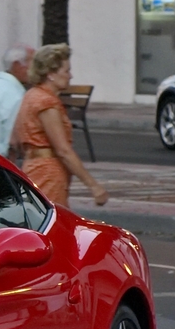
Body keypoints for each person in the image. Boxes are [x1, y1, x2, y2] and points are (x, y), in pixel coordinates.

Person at [12, 43, 108, 208]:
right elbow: (63, 151)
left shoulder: (30, 96)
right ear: (50, 74)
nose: (70, 76)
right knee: (53, 218)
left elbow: (14, 140)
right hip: (48, 173)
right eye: (66, 71)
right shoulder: (46, 102)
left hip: (31, 167)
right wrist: (93, 186)